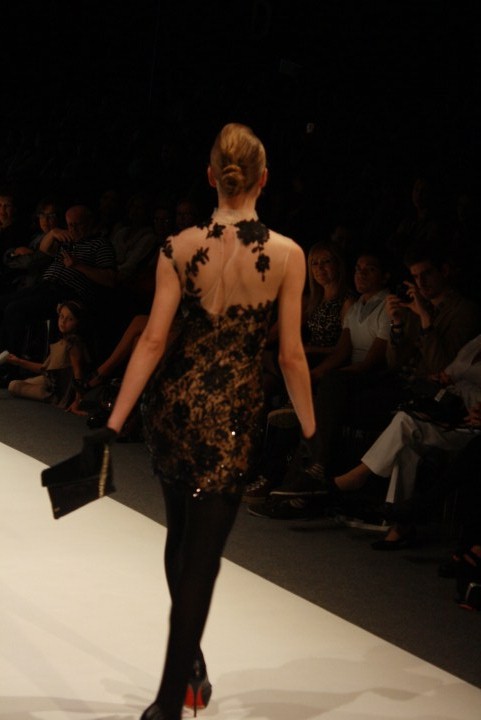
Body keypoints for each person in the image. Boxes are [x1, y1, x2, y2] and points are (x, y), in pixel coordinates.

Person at [105, 123, 316, 720]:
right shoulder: (288, 255)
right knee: (203, 557)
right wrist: (311, 431)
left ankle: (187, 669)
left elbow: (153, 340)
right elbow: (291, 356)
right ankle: (169, 702)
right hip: (232, 414)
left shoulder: (178, 246)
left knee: (180, 537)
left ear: (210, 177)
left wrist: (115, 422)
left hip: (173, 406)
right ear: (263, 180)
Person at [333, 333, 481, 549]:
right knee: (405, 427)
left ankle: (360, 479)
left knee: (405, 429)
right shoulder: (476, 342)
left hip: (472, 426)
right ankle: (399, 522)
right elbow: (449, 371)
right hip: (451, 411)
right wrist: (442, 378)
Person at [1, 300, 90, 413]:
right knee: (22, 382)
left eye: (70, 319)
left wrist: (77, 401)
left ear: (78, 323)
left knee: (13, 386)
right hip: (49, 380)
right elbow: (44, 368)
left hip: (56, 390)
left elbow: (78, 374)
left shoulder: (73, 344)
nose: (63, 322)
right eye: (61, 317)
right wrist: (18, 361)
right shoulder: (63, 341)